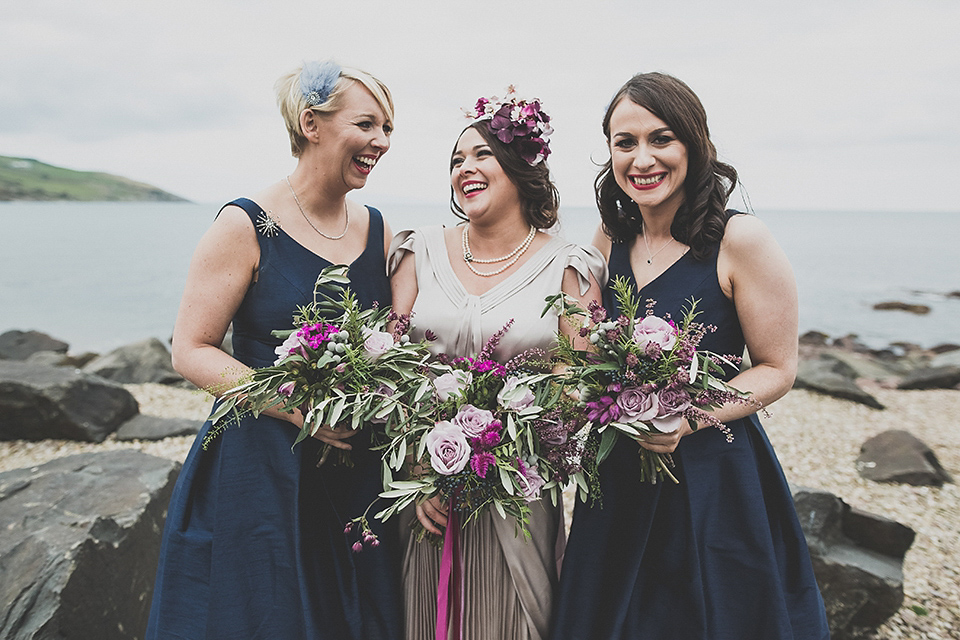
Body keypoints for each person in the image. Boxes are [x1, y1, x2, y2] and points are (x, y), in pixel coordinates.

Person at [552, 73, 831, 639]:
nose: (642, 158)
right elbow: (578, 349)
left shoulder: (739, 240)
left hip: (713, 478)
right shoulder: (610, 238)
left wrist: (690, 415)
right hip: (621, 470)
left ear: (694, 145)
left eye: (662, 139)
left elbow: (778, 367)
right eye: (624, 142)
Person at [146, 60, 403, 640]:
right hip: (261, 467)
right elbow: (190, 349)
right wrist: (297, 408)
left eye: (388, 128)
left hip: (354, 476)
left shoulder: (378, 229)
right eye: (367, 124)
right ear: (311, 123)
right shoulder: (245, 224)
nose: (381, 142)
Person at [389, 90, 606, 640]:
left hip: (519, 497)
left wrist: (503, 446)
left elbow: (578, 388)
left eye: (481, 154)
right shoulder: (418, 250)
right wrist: (419, 467)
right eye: (457, 160)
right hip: (423, 495)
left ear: (520, 167)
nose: (466, 168)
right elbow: (389, 367)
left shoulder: (569, 267)